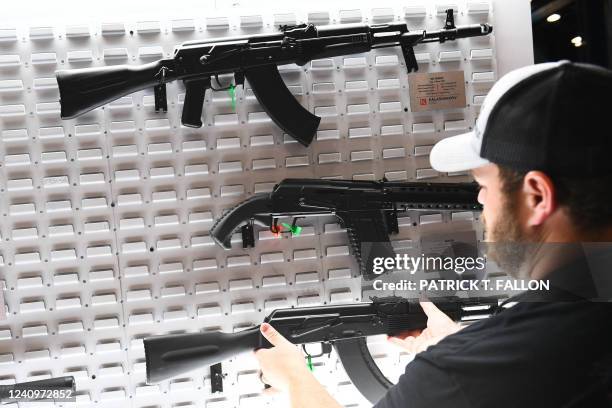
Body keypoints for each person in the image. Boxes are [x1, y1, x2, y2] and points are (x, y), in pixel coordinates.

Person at [254, 61, 612, 407]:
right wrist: (466, 353)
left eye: (484, 184)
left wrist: (294, 379)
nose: (481, 199)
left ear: (537, 197)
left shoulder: (474, 370)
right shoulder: (540, 348)